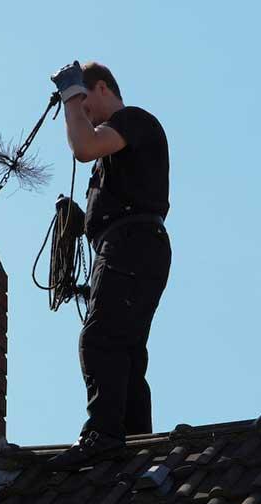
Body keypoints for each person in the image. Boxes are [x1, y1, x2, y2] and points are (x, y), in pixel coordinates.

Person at [46, 60, 171, 470]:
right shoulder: (115, 153)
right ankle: (135, 442)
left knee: (99, 338)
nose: (83, 117)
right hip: (130, 246)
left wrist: (69, 96)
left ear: (100, 89)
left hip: (131, 245)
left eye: (86, 105)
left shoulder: (134, 120)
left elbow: (82, 148)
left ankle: (104, 434)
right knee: (126, 349)